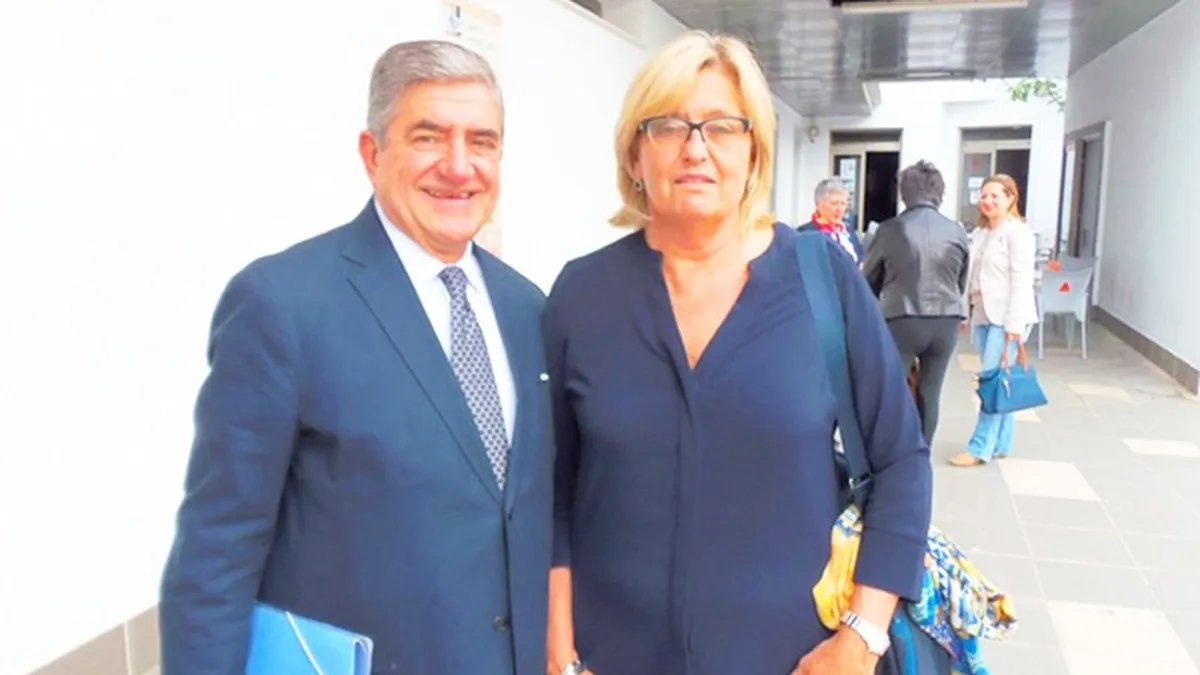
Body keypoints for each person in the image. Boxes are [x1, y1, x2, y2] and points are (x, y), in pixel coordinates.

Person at [159, 40, 554, 675]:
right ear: (373, 154)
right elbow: (217, 550)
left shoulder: (527, 309)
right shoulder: (282, 304)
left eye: (481, 142)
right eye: (429, 137)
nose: (459, 167)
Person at [543, 30, 932, 675]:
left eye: (722, 127)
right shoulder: (582, 295)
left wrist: (861, 637)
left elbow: (900, 461)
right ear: (635, 154)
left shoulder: (821, 280)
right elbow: (552, 488)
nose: (695, 149)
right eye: (668, 126)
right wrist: (559, 650)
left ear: (754, 154)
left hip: (793, 659)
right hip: (611, 656)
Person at [862, 160, 970, 445]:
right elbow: (961, 280)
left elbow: (868, 279)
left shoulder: (890, 229)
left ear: (904, 192)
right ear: (939, 192)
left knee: (892, 389)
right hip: (946, 319)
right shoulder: (956, 230)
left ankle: (893, 450)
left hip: (902, 317)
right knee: (931, 392)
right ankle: (923, 451)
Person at [949, 174, 1038, 467]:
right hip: (983, 314)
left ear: (1011, 198)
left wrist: (1013, 326)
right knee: (1000, 380)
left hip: (1007, 319)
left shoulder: (1018, 233)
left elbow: (1021, 281)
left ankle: (979, 447)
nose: (987, 201)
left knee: (990, 382)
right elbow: (972, 276)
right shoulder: (981, 232)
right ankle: (1000, 442)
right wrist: (966, 311)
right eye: (984, 195)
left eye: (995, 196)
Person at [797, 178, 864, 263]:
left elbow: (861, 259)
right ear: (818, 204)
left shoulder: (848, 232)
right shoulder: (805, 233)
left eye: (843, 204)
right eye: (834, 204)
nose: (839, 209)